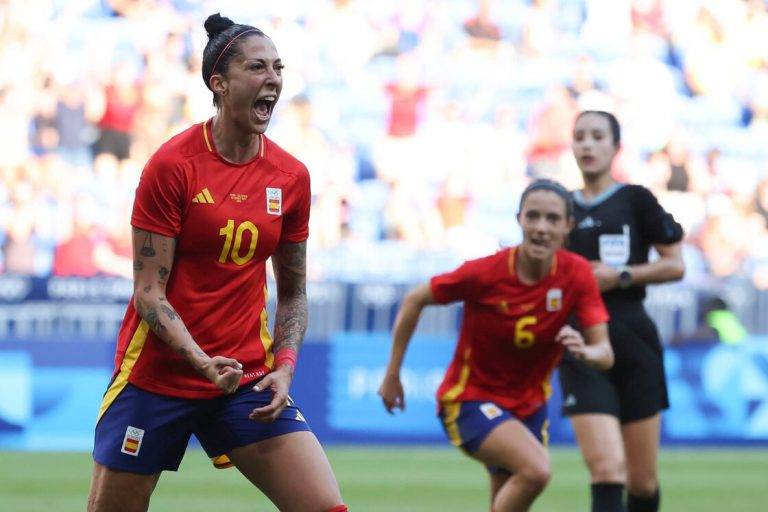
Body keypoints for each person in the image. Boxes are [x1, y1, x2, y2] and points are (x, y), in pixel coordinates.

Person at [86, 13, 347, 512]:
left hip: (243, 377)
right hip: (157, 377)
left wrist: (286, 368)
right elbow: (148, 293)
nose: (272, 79)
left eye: (278, 68)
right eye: (256, 68)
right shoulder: (173, 166)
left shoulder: (291, 177)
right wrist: (201, 362)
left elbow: (292, 292)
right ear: (219, 84)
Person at [379, 179, 614, 512]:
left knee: (507, 499)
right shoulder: (487, 272)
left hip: (530, 407)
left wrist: (585, 350)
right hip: (470, 400)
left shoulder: (576, 274)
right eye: (533, 217)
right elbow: (416, 298)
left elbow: (605, 355)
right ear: (519, 219)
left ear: (567, 226)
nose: (541, 228)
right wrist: (393, 374)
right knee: (536, 470)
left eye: (552, 219)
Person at [561, 110, 685, 512]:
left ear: (616, 147)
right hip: (581, 344)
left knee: (642, 482)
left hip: (634, 340)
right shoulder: (558, 208)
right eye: (580, 136)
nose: (587, 144)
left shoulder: (636, 200)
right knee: (607, 469)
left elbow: (675, 264)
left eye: (597, 136)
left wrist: (623, 276)